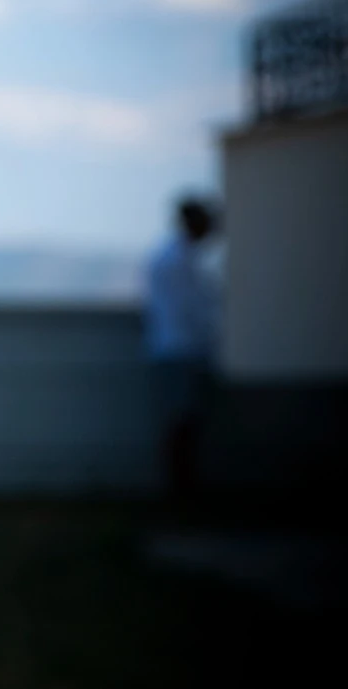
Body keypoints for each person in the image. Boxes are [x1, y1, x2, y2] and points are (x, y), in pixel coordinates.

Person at [143, 197, 220, 500]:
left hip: (175, 348)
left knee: (183, 422)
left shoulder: (171, 256)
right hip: (180, 350)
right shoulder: (179, 260)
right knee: (182, 423)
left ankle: (182, 489)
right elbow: (192, 309)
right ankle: (180, 490)